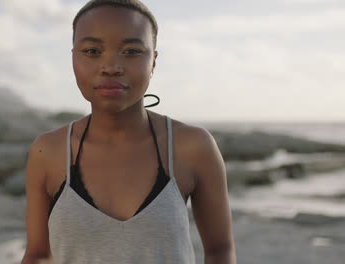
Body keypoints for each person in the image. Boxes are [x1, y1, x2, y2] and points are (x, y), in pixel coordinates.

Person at [21, 0, 236, 263]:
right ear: (73, 57)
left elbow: (219, 251)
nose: (111, 66)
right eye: (92, 50)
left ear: (153, 60)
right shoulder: (49, 151)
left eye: (132, 51)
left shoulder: (192, 146)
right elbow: (38, 255)